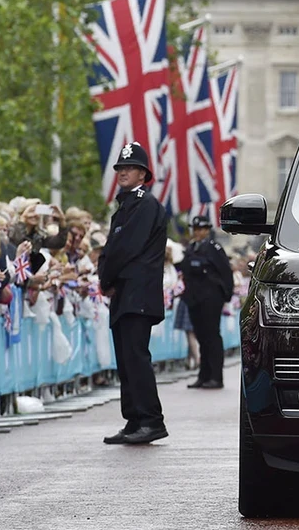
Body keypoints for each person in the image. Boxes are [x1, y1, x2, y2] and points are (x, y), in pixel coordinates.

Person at [98, 142, 169, 445]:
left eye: (129, 168)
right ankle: (134, 419)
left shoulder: (143, 204)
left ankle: (151, 420)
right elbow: (111, 247)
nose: (122, 172)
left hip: (136, 293)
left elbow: (125, 248)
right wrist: (107, 277)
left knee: (136, 357)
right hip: (126, 294)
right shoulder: (127, 204)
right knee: (126, 360)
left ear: (143, 174)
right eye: (119, 168)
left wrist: (106, 276)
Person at [178, 215, 234, 389]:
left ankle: (216, 377)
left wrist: (226, 295)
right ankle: (204, 375)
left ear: (207, 230)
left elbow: (225, 272)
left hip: (210, 298)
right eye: (195, 229)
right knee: (201, 336)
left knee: (212, 336)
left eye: (201, 229)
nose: (197, 232)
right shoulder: (191, 248)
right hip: (195, 299)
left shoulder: (213, 248)